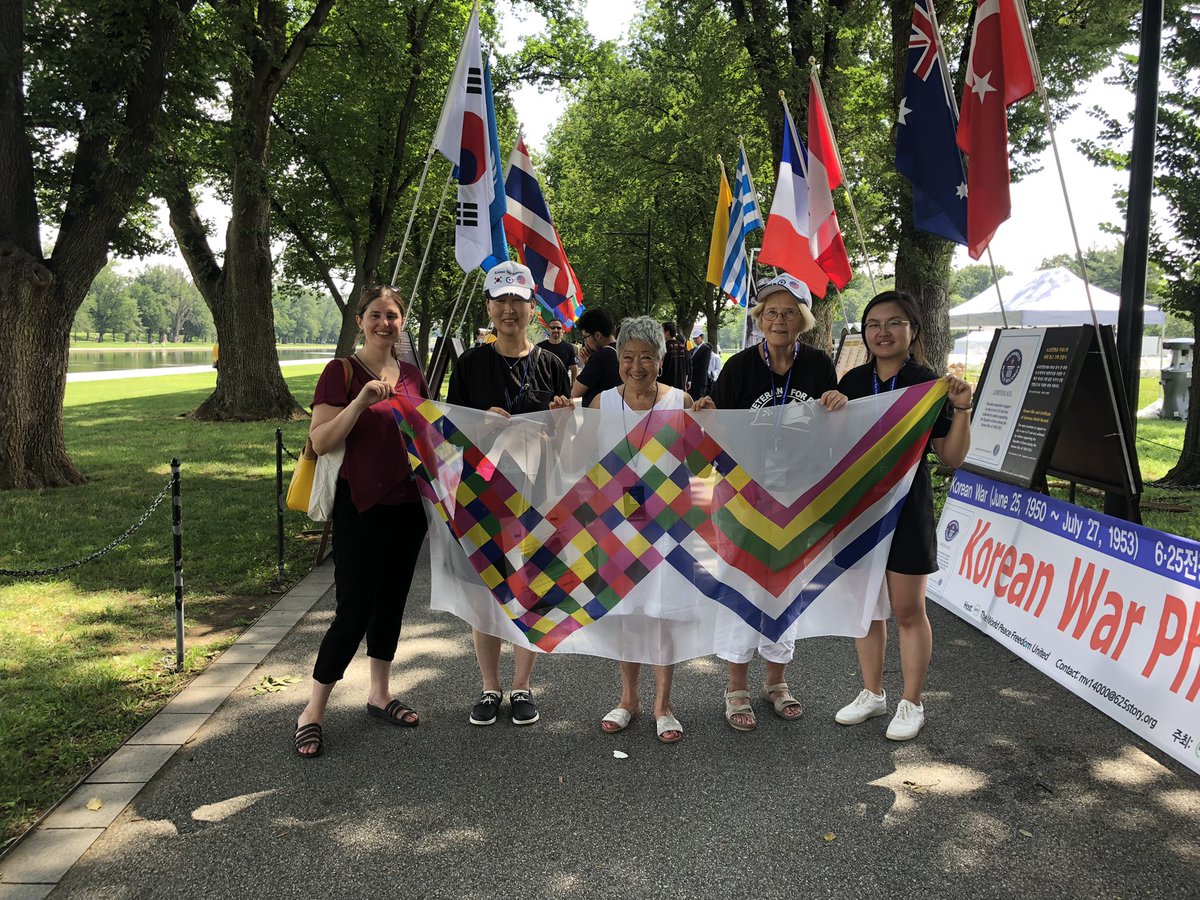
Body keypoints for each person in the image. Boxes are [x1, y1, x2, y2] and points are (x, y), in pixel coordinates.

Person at [693, 274, 847, 732]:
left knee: (789, 588)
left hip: (799, 497)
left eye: (789, 313)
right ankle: (735, 686)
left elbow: (834, 434)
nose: (779, 320)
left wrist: (839, 404)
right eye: (771, 313)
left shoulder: (819, 365)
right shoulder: (739, 367)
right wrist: (705, 414)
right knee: (742, 586)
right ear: (759, 319)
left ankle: (777, 682)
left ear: (803, 319)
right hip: (744, 497)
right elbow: (715, 434)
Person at [294, 284, 430, 758]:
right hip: (361, 506)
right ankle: (312, 711)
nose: (384, 323)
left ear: (401, 322)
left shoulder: (412, 374)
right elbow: (321, 441)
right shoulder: (342, 372)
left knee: (390, 602)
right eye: (375, 315)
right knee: (353, 609)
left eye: (392, 316)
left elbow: (429, 436)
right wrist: (361, 402)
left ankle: (380, 692)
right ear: (360, 321)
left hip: (408, 508)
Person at [833, 289, 973, 741]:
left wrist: (962, 409)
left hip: (907, 511)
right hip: (858, 512)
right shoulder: (851, 382)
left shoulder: (927, 384)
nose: (882, 332)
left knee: (908, 610)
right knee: (866, 611)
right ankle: (872, 694)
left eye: (894, 323)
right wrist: (826, 410)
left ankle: (911, 703)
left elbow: (950, 456)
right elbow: (830, 452)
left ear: (912, 330)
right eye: (874, 324)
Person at [447, 260, 573, 727]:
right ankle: (489, 687)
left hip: (538, 496)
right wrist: (480, 425)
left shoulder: (553, 365)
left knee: (528, 590)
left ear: (532, 308)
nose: (509, 309)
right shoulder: (470, 365)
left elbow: (569, 443)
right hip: (480, 496)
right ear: (488, 307)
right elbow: (450, 435)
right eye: (500, 300)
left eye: (518, 300)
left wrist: (561, 424)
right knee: (485, 594)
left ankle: (521, 685)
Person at [592, 316, 694, 743]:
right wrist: (560, 420)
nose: (636, 366)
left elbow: (699, 467)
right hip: (614, 528)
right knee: (626, 615)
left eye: (646, 358)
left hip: (667, 528)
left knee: (663, 615)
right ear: (618, 361)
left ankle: (663, 704)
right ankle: (628, 698)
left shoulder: (682, 403)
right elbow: (576, 457)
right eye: (628, 357)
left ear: (662, 360)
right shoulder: (600, 403)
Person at [572, 307, 621, 407]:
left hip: (600, 417)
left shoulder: (601, 356)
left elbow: (576, 392)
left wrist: (590, 363)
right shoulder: (623, 350)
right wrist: (588, 362)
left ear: (597, 335)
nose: (585, 343)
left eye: (585, 337)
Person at [537, 319, 579, 383]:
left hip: (562, 386)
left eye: (558, 328)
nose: (555, 330)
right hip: (544, 386)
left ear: (562, 330)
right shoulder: (540, 347)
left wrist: (573, 385)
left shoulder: (569, 347)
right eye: (552, 327)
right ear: (549, 329)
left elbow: (574, 368)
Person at [660, 321, 689, 390]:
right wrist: (685, 384)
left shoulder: (663, 348)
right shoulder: (684, 348)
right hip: (680, 387)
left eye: (661, 331)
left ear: (667, 333)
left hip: (666, 387)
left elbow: (659, 367)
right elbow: (687, 369)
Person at [689, 330, 714, 398]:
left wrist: (690, 369)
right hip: (692, 380)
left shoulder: (706, 349)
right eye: (694, 338)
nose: (695, 340)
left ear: (702, 337)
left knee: (698, 401)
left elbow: (703, 365)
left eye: (696, 338)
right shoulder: (693, 350)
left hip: (700, 380)